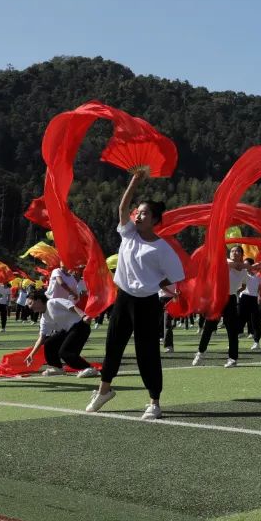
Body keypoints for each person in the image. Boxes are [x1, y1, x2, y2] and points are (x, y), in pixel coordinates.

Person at [86, 171, 185, 420]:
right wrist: (135, 181)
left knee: (147, 352)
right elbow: (122, 207)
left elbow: (176, 274)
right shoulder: (128, 233)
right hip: (124, 300)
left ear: (155, 220)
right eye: (137, 212)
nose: (138, 216)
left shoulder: (161, 248)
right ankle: (104, 391)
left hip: (147, 304)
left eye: (144, 214)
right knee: (113, 347)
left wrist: (154, 282)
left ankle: (154, 402)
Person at [193, 245, 248, 367]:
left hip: (231, 299)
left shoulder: (244, 271)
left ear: (242, 254)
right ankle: (200, 353)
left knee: (232, 330)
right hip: (218, 298)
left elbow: (244, 285)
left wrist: (236, 290)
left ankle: (233, 358)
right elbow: (236, 266)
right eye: (233, 251)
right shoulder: (226, 262)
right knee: (208, 327)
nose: (235, 253)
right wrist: (253, 266)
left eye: (238, 251)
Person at [25, 290, 97, 377]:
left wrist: (84, 316)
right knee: (49, 343)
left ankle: (88, 368)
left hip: (80, 326)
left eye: (30, 303)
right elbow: (42, 338)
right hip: (68, 330)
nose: (29, 306)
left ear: (39, 300)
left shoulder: (52, 302)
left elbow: (71, 307)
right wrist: (31, 354)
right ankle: (57, 368)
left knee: (65, 352)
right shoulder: (44, 318)